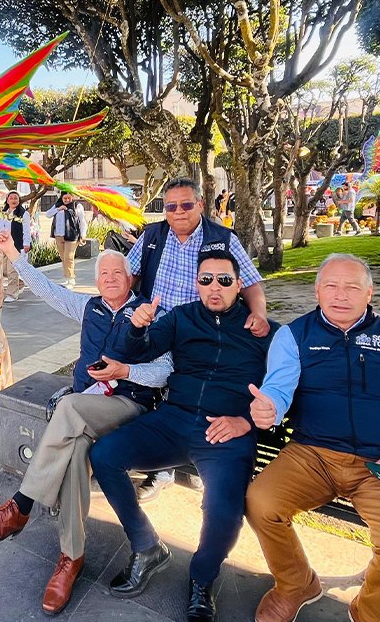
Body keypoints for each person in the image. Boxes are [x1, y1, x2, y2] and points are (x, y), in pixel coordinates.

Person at [0, 230, 171, 616]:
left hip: (127, 406)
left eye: (118, 272)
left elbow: (164, 372)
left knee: (68, 410)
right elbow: (45, 289)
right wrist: (13, 253)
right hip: (83, 410)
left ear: (131, 278)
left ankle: (20, 505)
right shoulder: (89, 308)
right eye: (103, 273)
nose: (110, 278)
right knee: (75, 449)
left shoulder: (150, 311)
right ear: (96, 281)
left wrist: (125, 368)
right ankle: (71, 558)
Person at [90, 248, 279, 622]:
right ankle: (146, 546)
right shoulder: (181, 318)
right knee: (105, 456)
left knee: (224, 509)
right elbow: (136, 351)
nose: (214, 287)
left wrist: (246, 420)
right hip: (175, 419)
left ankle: (202, 579)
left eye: (224, 280)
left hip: (227, 430)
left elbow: (283, 390)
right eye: (206, 279)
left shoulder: (263, 331)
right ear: (197, 284)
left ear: (239, 285)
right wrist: (137, 326)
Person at [245, 254, 380, 622]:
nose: (340, 295)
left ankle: (371, 612)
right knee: (260, 502)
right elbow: (278, 388)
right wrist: (269, 409)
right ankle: (296, 583)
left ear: (369, 292)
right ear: (317, 291)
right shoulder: (294, 335)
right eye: (330, 285)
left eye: (351, 287)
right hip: (312, 453)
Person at [126, 177, 270, 502]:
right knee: (151, 381)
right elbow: (129, 275)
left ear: (201, 204)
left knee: (198, 390)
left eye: (186, 204)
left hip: (201, 330)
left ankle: (190, 462)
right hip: (160, 328)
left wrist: (258, 314)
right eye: (171, 206)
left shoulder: (222, 238)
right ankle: (163, 465)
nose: (178, 212)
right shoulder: (153, 235)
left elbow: (251, 285)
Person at [46, 191, 86, 287]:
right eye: (65, 198)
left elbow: (82, 221)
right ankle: (67, 277)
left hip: (72, 235)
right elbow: (48, 214)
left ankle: (71, 279)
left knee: (69, 257)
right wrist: (59, 209)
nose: (67, 200)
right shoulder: (57, 205)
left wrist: (83, 234)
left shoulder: (77, 206)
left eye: (69, 198)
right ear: (62, 198)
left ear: (72, 197)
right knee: (63, 258)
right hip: (58, 235)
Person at [0, 190, 32, 302]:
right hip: (4, 244)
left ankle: (12, 294)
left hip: (16, 245)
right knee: (3, 269)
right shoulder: (3, 213)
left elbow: (26, 230)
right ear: (7, 200)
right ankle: (20, 284)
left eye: (15, 198)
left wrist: (26, 243)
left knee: (12, 270)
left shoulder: (23, 214)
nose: (13, 200)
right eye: (11, 198)